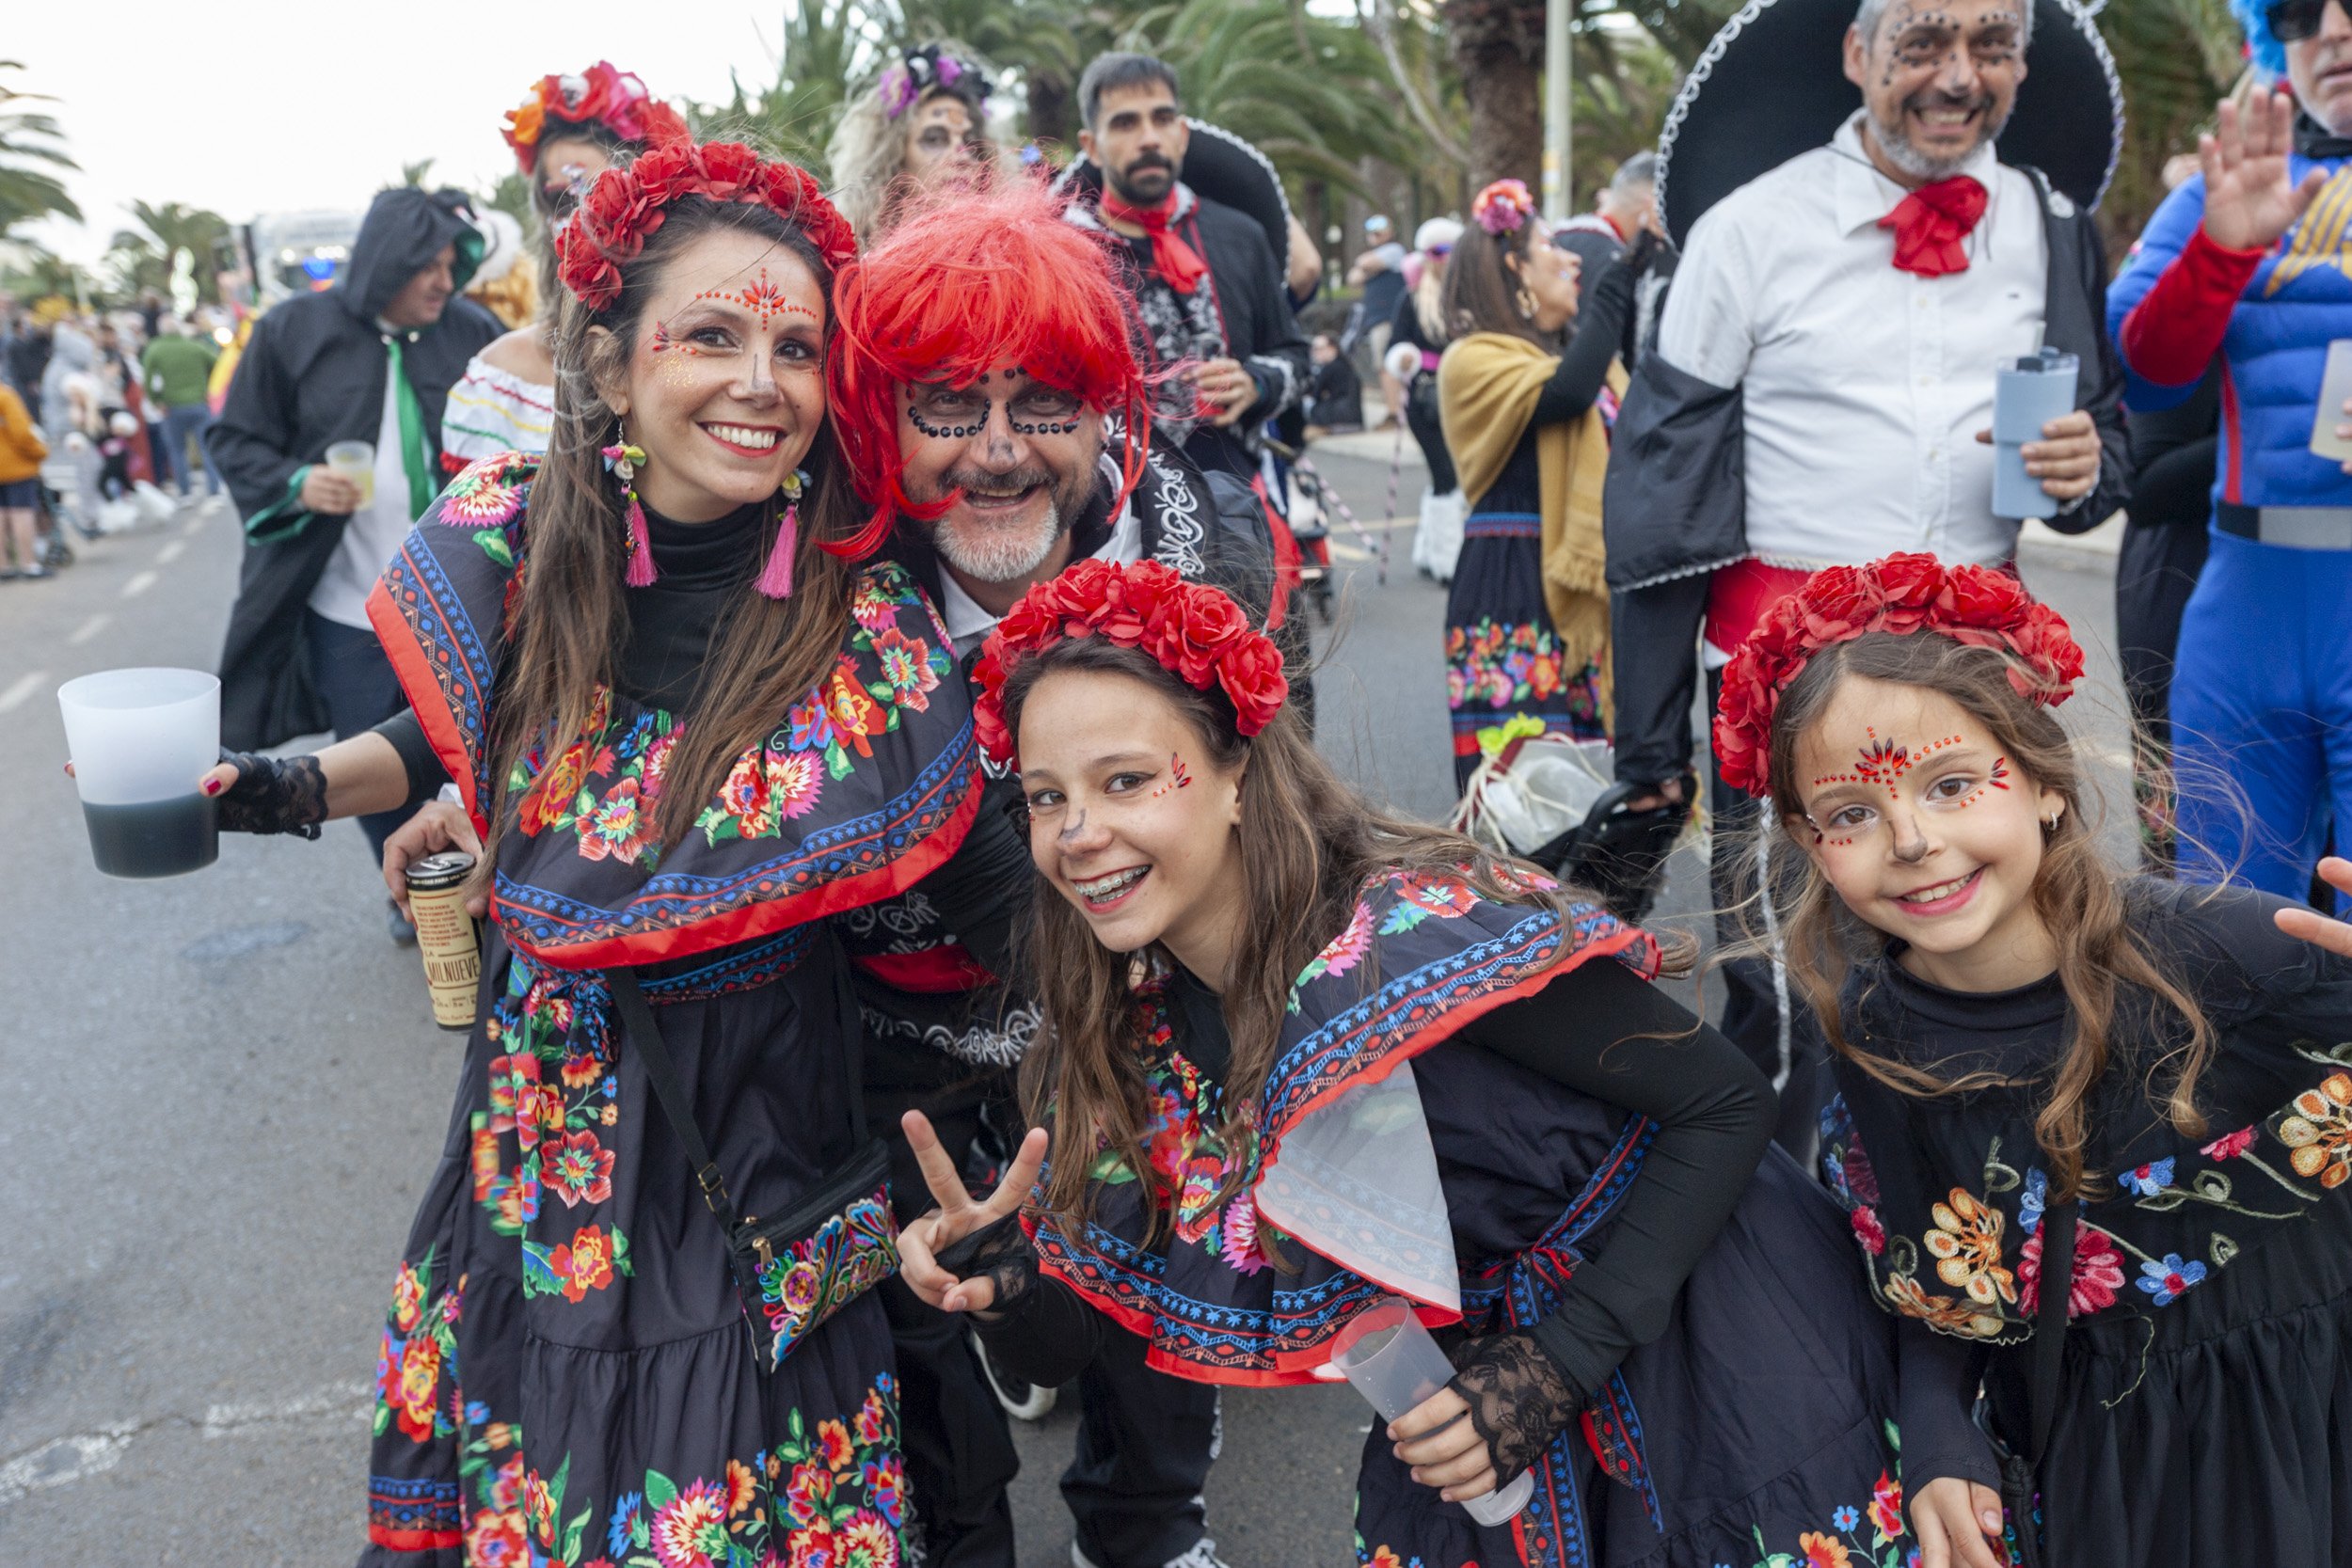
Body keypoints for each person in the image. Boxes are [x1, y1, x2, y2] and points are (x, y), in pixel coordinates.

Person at [203, 138, 1025, 1568]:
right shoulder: (519, 547)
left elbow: (1002, 884)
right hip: (548, 1135)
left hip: (766, 1134)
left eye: (795, 346)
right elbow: (452, 725)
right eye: (712, 333)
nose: (761, 383)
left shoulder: (858, 617)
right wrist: (274, 786)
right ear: (608, 360)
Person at [893, 557, 1904, 1566]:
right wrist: (1000, 1278)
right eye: (1042, 795)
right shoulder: (1137, 1038)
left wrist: (1557, 1361)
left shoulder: (1417, 927)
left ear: (1237, 770)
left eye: (1125, 780)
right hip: (1471, 1419)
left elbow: (1722, 1104)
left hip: (1710, 1340)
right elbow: (1072, 1344)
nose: (1078, 832)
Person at [1711, 550, 2352, 1568]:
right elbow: (1934, 1279)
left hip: (2294, 1437)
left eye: (1953, 784)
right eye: (1850, 814)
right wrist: (1933, 1432)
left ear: (2046, 784)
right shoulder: (1872, 1031)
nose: (1912, 837)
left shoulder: (2236, 954)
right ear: (1805, 839)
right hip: (2088, 1467)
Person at [826, 178, 1282, 1568]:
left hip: (1124, 1005)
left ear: (1108, 416)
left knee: (1163, 1260)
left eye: (1046, 408)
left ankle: (1146, 1529)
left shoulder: (1195, 546)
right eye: (950, 411)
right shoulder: (811, 585)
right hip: (883, 1031)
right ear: (879, 428)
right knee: (928, 1347)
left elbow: (1263, 813)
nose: (1002, 455)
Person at [1601, 0, 2130, 1134]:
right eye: (1923, 43)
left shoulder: (2047, 220)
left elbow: (2101, 438)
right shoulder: (1747, 230)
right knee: (1802, 990)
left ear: (2022, 65)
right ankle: (1797, 1255)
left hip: (1984, 672)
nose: (1957, 75)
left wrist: (2086, 463)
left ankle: (1980, 1230)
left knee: (1995, 954)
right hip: (1787, 671)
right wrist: (1648, 747)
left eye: (1989, 46)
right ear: (1857, 55)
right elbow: (1655, 483)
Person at [208, 183, 501, 936]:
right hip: (346, 608)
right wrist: (299, 482)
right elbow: (236, 440)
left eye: (450, 264)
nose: (443, 280)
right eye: (425, 265)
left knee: (480, 745)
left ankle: (484, 871)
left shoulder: (474, 331)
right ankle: (413, 884)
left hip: (463, 599)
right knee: (373, 758)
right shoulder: (290, 331)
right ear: (382, 262)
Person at [2106, 54, 2352, 911]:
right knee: (2221, 926)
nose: (2329, 32)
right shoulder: (2224, 189)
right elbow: (2142, 375)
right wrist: (2218, 253)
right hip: (2246, 603)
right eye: (2296, 10)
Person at [1437, 179, 1644, 793]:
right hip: (1512, 586)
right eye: (1551, 245)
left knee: (1594, 785)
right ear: (1515, 267)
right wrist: (1617, 284)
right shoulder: (1471, 359)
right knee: (1521, 796)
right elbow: (1565, 394)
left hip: (1582, 586)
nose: (1573, 258)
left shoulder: (1579, 359)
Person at [1064, 53, 1310, 491]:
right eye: (1125, 124)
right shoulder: (1064, 252)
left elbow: (1296, 356)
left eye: (1162, 120)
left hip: (1237, 500)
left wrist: (1256, 382)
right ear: (1091, 147)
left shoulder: (1240, 236)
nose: (1149, 139)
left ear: (1181, 135)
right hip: (1106, 514)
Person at [442, 60, 689, 468]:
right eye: (559, 198)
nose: (576, 218)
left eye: (596, 192)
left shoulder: (702, 355)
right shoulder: (500, 378)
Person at [827, 41, 1002, 245]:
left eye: (971, 143)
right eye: (935, 139)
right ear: (895, 160)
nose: (962, 156)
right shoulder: (849, 263)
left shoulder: (1012, 261)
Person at [1393, 217, 1465, 583]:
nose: (1445, 258)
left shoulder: (1467, 298)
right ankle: (1448, 562)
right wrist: (1405, 357)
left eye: (1451, 250)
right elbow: (1396, 345)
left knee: (1448, 475)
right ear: (1426, 256)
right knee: (1446, 475)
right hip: (1425, 398)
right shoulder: (1411, 299)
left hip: (1461, 395)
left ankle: (1427, 551)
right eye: (1437, 251)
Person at [141, 316, 220, 498]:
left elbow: (147, 380)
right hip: (199, 403)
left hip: (171, 406)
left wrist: (156, 400)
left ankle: (185, 492)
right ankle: (214, 489)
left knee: (177, 451)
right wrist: (210, 390)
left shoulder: (155, 349)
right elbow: (218, 364)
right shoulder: (195, 346)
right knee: (206, 448)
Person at [1348, 214, 1410, 421]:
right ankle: (1395, 411)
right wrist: (1365, 267)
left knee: (1389, 363)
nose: (1375, 235)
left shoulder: (1394, 250)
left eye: (1380, 231)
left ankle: (1396, 413)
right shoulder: (1378, 256)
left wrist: (1364, 265)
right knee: (1383, 364)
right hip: (1377, 317)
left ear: (1390, 232)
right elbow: (1353, 278)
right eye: (1372, 232)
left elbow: (1364, 265)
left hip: (1389, 317)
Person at [0, 372, 47, 579]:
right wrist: (40, 452)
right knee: (22, 514)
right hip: (13, 465)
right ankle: (29, 563)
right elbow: (22, 433)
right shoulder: (5, 396)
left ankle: (4, 566)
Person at [1302, 332, 1362, 434]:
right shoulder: (1346, 366)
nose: (1316, 353)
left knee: (1306, 403)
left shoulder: (1329, 368)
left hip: (1338, 418)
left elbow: (1316, 394)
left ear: (1332, 348)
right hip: (1354, 419)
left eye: (1320, 349)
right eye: (1314, 349)